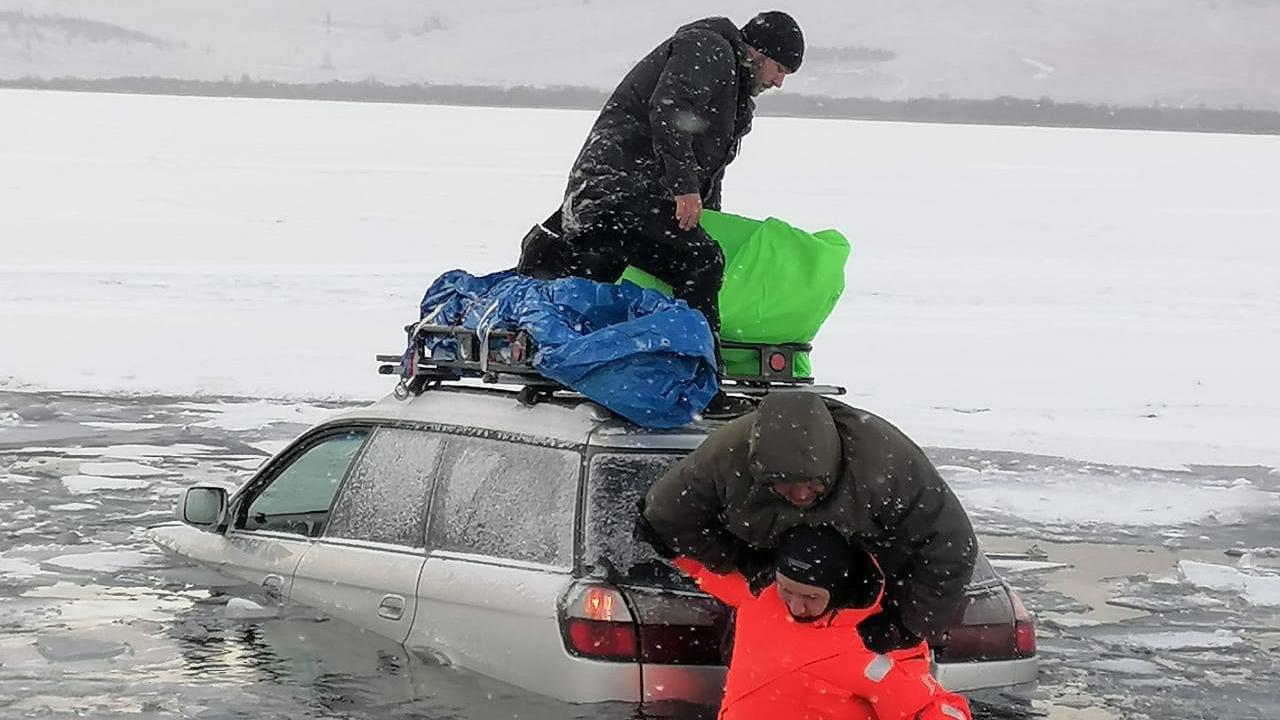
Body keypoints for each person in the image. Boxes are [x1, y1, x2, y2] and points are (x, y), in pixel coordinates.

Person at [517, 12, 805, 413]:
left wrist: (706, 215)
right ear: (758, 52)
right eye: (780, 69)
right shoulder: (709, 49)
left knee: (673, 263)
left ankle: (615, 373)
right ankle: (701, 389)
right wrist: (684, 188)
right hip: (615, 191)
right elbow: (668, 110)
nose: (779, 81)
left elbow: (710, 169)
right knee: (701, 262)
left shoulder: (734, 92)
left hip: (629, 198)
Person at [641, 392, 979, 653]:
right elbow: (669, 515)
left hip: (874, 607)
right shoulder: (726, 458)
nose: (801, 496)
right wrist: (744, 561)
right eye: (786, 486)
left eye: (813, 484)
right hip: (769, 634)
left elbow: (950, 547)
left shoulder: (884, 467)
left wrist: (907, 626)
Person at [673, 524, 973, 720]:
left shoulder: (876, 638)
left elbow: (929, 706)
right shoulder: (763, 597)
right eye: (786, 589)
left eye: (810, 597)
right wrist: (667, 536)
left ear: (839, 592)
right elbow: (706, 567)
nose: (794, 604)